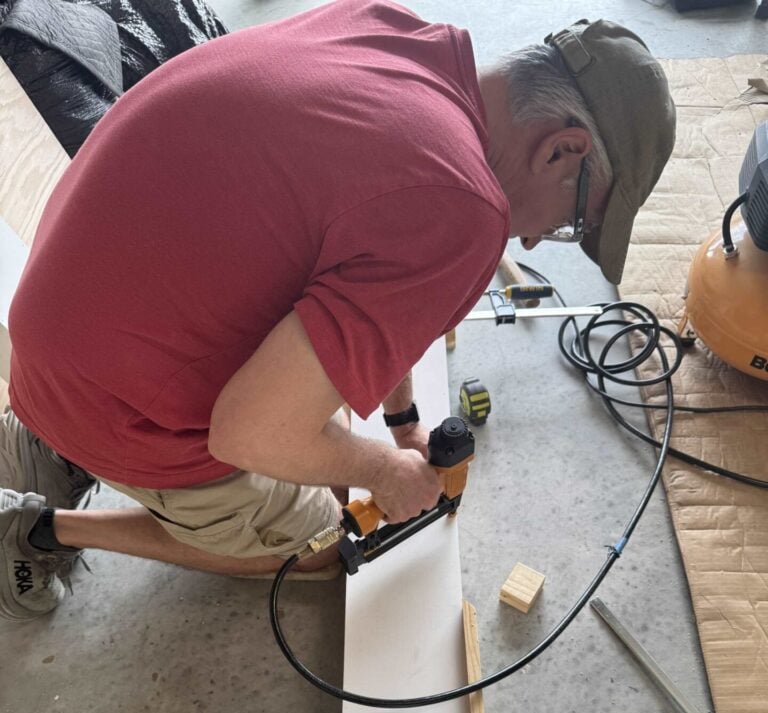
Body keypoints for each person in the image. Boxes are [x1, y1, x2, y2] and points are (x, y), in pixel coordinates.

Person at [0, 1, 675, 620]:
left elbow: (379, 282)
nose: (532, 241)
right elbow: (245, 433)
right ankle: (35, 528)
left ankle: (45, 442)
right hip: (112, 401)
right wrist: (383, 470)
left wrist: (401, 422)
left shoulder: (404, 37)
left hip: (60, 324)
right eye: (573, 218)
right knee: (317, 540)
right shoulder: (464, 206)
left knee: (321, 424)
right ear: (563, 149)